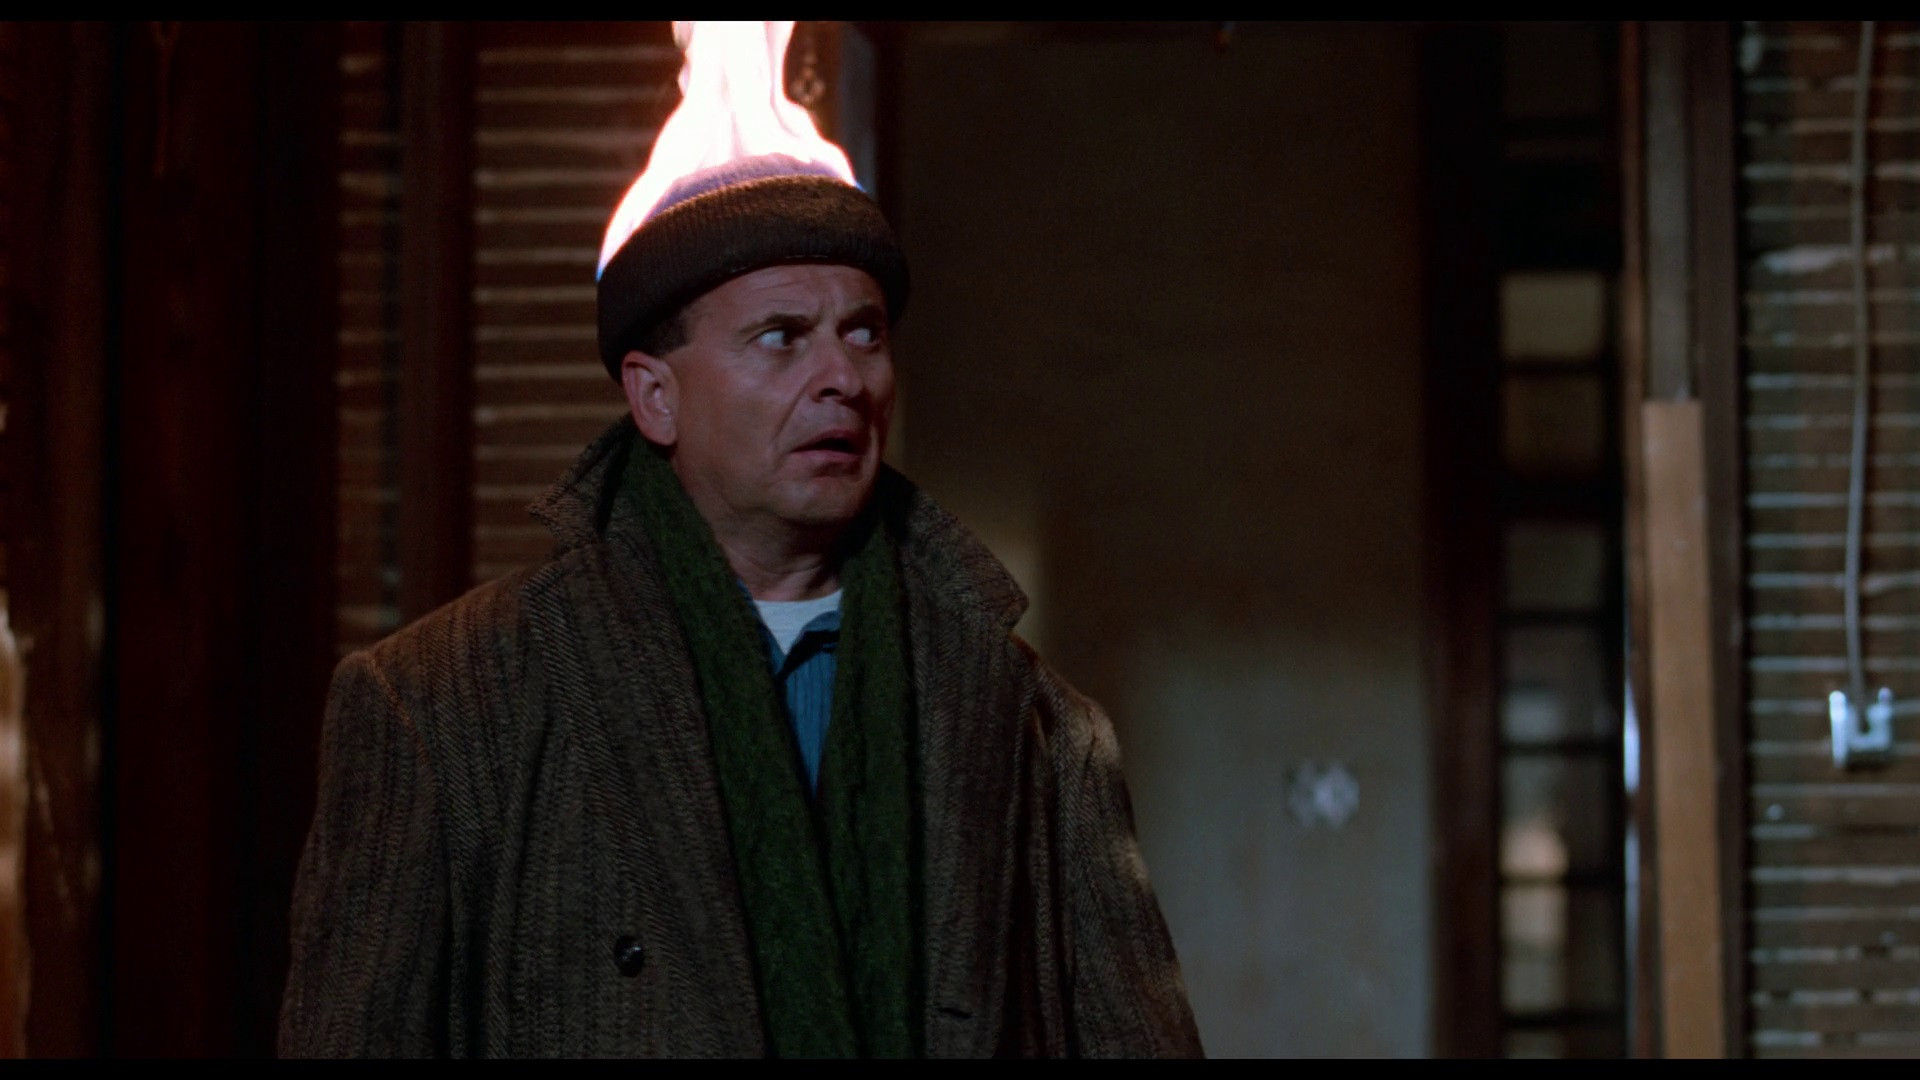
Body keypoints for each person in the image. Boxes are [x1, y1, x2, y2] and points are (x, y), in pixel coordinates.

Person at [278, 149, 1201, 1057]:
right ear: (656, 397)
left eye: (865, 334)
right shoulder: (443, 704)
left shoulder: (1033, 722)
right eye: (782, 336)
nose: (844, 378)